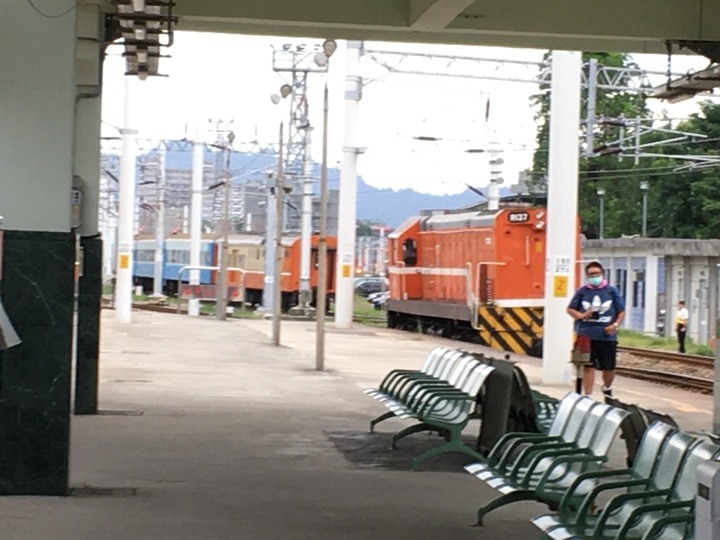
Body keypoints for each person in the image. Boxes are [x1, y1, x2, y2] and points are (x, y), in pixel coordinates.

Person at [566, 261, 626, 398]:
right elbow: (570, 309)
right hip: (586, 335)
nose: (594, 276)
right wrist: (581, 315)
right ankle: (588, 396)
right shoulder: (582, 292)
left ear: (603, 274)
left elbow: (621, 312)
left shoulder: (611, 291)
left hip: (606, 335)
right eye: (591, 274)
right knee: (588, 366)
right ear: (587, 276)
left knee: (609, 368)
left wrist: (614, 325)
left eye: (597, 274)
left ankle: (607, 387)